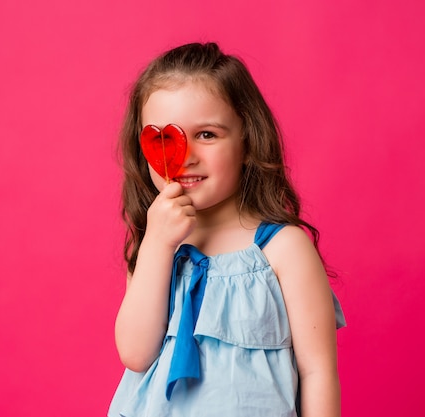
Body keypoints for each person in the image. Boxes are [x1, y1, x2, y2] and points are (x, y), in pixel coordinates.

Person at [108, 42, 346, 417]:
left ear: (247, 141)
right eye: (163, 138)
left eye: (206, 134)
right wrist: (156, 243)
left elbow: (317, 371)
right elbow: (136, 354)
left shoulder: (283, 250)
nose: (184, 155)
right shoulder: (152, 245)